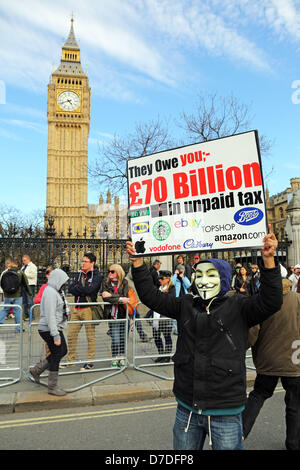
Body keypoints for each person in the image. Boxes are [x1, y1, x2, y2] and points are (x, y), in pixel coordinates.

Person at [126, 225, 282, 450]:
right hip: (187, 408)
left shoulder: (239, 307)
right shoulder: (186, 305)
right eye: (198, 275)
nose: (202, 280)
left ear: (224, 280)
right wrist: (138, 264)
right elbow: (151, 297)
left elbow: (272, 301)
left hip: (225, 411)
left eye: (210, 275)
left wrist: (269, 260)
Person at [243, 277, 300, 450]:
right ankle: (293, 443)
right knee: (295, 404)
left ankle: (239, 433)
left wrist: (241, 347)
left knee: (258, 394)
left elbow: (252, 333)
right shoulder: (297, 299)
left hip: (268, 360)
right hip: (295, 359)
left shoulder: (262, 301)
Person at [29, 268, 69, 396]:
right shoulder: (51, 292)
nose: (64, 284)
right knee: (57, 354)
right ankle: (52, 387)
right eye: (63, 282)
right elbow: (50, 315)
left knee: (63, 350)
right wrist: (55, 335)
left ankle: (37, 370)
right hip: (49, 328)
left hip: (53, 327)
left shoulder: (55, 291)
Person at [65, 253, 102, 371]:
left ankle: (90, 362)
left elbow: (90, 289)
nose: (83, 263)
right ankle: (70, 360)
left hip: (88, 309)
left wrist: (78, 289)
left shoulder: (96, 275)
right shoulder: (80, 274)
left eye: (85, 261)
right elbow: (70, 288)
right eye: (83, 261)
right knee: (71, 335)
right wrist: (81, 290)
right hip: (76, 308)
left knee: (90, 336)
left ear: (92, 263)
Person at [102, 264, 130, 368]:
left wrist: (112, 296)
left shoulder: (124, 282)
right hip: (112, 315)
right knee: (115, 339)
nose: (110, 273)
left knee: (123, 338)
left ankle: (121, 357)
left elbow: (126, 297)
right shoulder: (106, 283)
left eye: (112, 271)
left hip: (123, 314)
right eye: (109, 271)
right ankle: (114, 357)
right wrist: (119, 299)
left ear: (118, 272)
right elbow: (105, 298)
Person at [0, 259, 32, 332]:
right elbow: (26, 284)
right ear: (17, 265)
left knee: (5, 309)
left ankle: (0, 321)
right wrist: (30, 293)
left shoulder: (5, 273)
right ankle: (18, 328)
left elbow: (2, 284)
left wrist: (5, 291)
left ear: (11, 264)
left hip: (7, 295)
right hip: (17, 295)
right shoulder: (20, 273)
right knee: (17, 311)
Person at [152, 270, 175, 363]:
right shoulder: (159, 288)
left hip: (165, 316)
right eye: (159, 278)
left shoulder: (172, 288)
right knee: (156, 336)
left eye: (162, 278)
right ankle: (161, 354)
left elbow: (170, 300)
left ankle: (167, 355)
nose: (160, 280)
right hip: (156, 316)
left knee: (167, 336)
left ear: (168, 279)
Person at [125, 266, 150, 343]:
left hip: (134, 305)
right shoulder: (126, 281)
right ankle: (141, 335)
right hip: (128, 305)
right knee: (129, 321)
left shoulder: (135, 281)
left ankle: (142, 335)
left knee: (135, 319)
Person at [171, 265, 191, 335]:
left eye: (183, 271)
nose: (182, 272)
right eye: (181, 270)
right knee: (176, 314)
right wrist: (175, 275)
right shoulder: (174, 278)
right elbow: (171, 283)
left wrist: (183, 277)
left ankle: (184, 328)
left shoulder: (184, 278)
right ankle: (176, 330)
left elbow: (189, 285)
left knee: (184, 314)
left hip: (184, 298)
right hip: (177, 298)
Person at [21, 254, 37, 321]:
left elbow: (33, 275)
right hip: (24, 285)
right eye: (22, 260)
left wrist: (24, 274)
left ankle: (31, 316)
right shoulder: (23, 267)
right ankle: (27, 315)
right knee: (25, 301)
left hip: (30, 285)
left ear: (28, 260)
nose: (23, 262)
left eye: (24, 260)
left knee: (30, 301)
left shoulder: (32, 266)